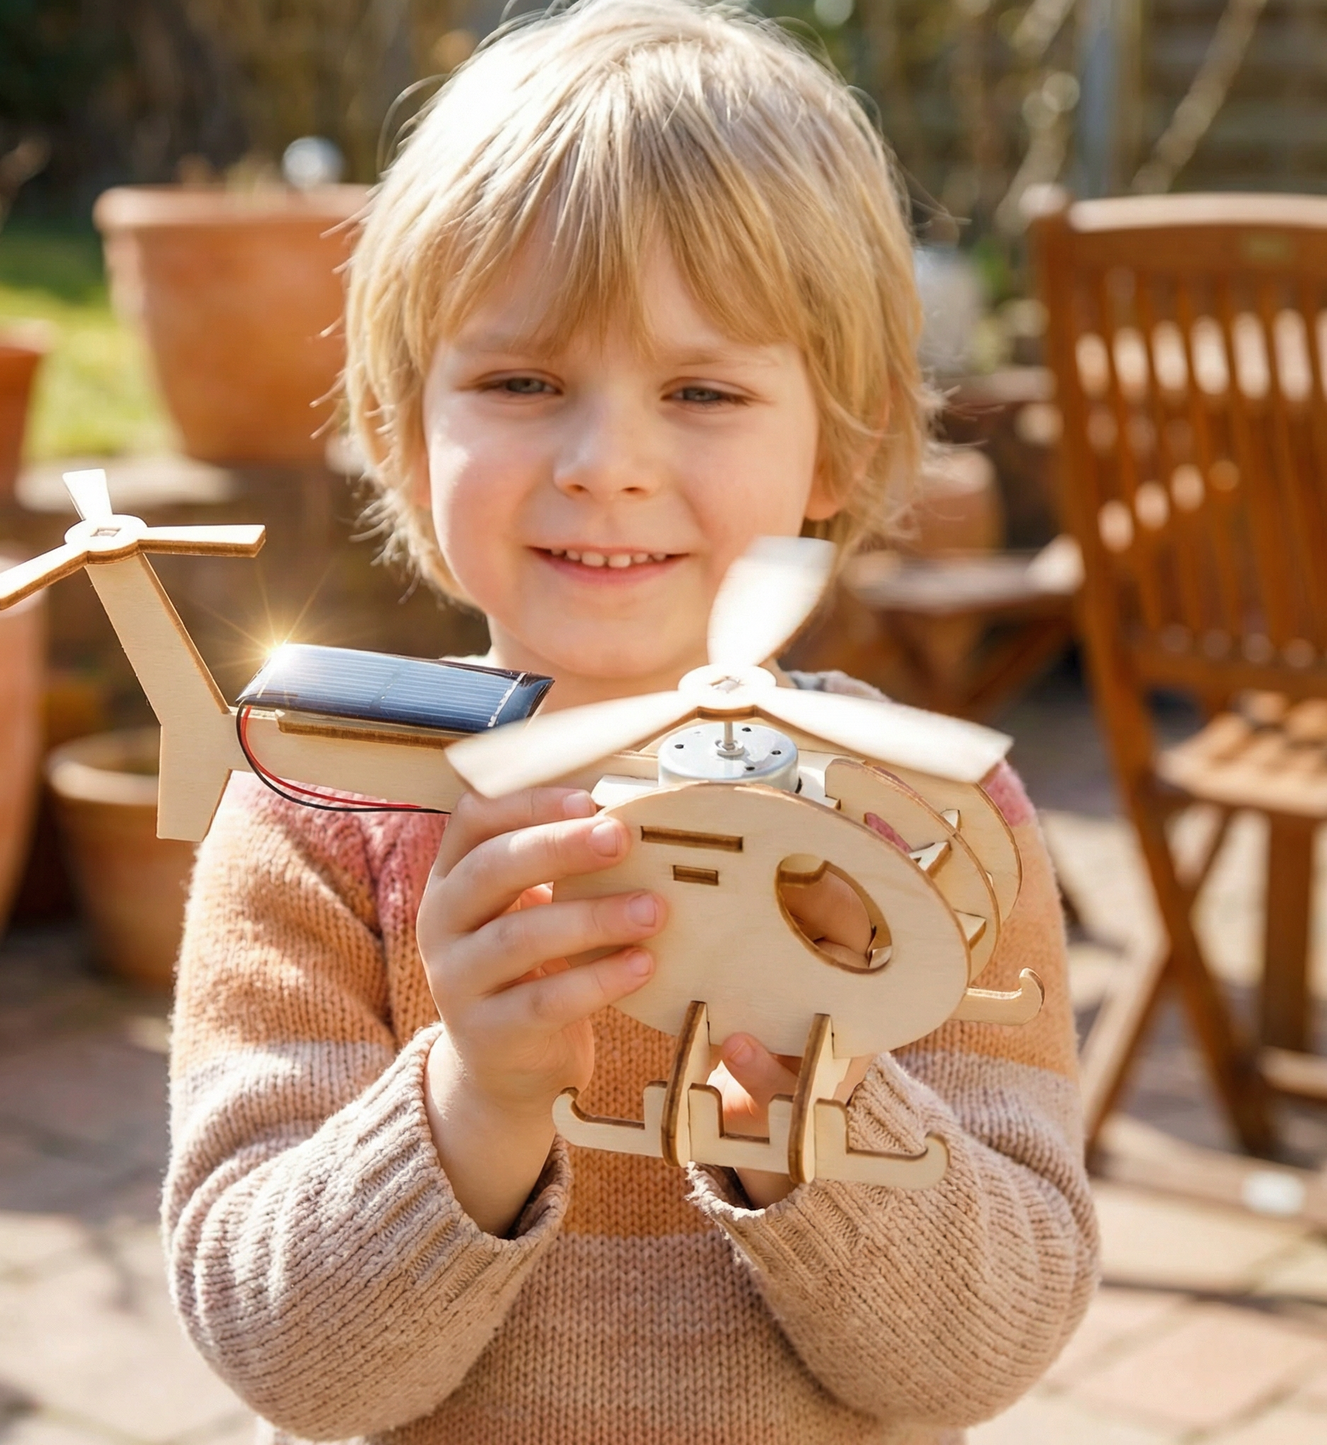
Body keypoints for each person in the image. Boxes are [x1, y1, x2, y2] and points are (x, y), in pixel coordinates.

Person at [164, 3, 1098, 1441]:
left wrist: (816, 1106)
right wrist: (478, 1100)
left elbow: (984, 1353)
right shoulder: (319, 806)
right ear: (411, 435)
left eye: (703, 389)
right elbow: (285, 1360)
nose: (608, 464)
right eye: (524, 381)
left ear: (837, 449)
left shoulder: (925, 824)